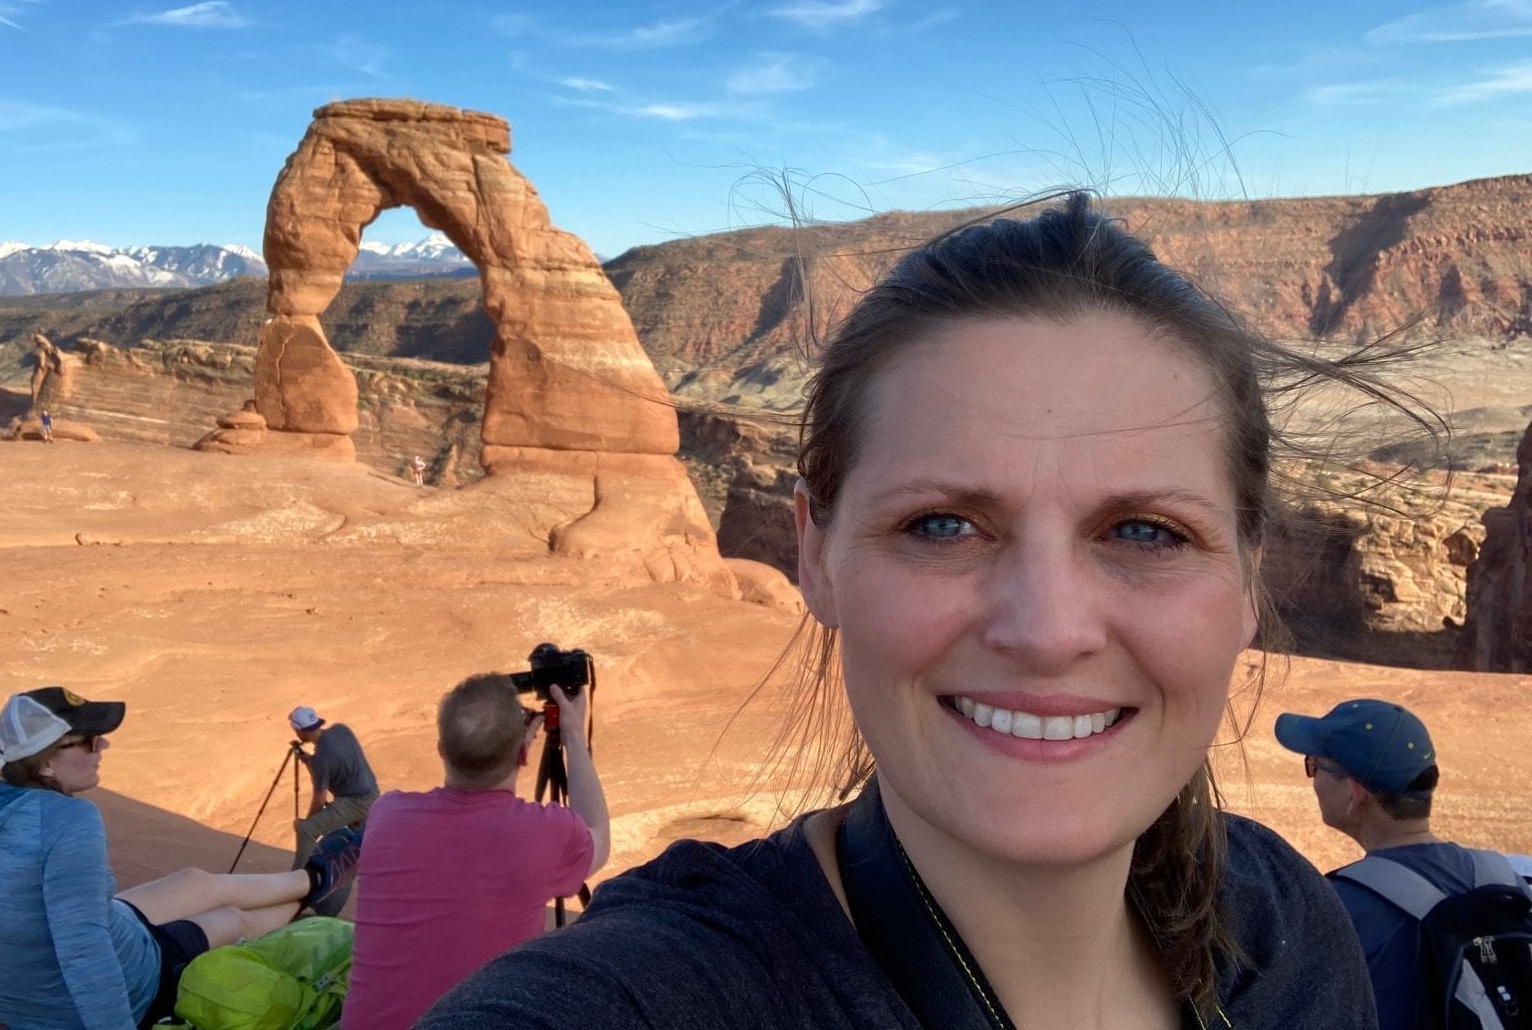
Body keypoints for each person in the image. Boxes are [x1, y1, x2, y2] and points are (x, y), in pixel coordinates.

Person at [421, 193, 1398, 1028]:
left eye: (1143, 531)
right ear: (814, 551)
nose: (1047, 628)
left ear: (1246, 576)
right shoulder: (641, 994)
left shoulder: (1288, 945)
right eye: (941, 524)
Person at [0, 686, 360, 1029]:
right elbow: (82, 949)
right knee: (231, 920)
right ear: (45, 763)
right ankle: (310, 894)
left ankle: (313, 879)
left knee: (194, 881)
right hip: (127, 985)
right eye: (88, 741)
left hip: (23, 991)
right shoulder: (67, 820)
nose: (103, 747)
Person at [341, 674, 609, 1028]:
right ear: (524, 752)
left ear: (441, 749)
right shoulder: (543, 832)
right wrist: (573, 734)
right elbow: (599, 841)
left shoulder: (386, 814)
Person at [1275, 698, 1529, 1029]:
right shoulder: (1508, 880)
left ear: (1355, 793)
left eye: (1314, 766)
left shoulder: (1339, 910)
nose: (1313, 780)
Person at [288, 705, 380, 869]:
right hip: (372, 794)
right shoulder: (342, 730)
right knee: (366, 845)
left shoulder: (321, 759)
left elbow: (320, 798)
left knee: (307, 831)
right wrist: (308, 760)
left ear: (300, 731)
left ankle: (296, 879)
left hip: (355, 803)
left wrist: (307, 821)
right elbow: (332, 764)